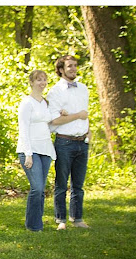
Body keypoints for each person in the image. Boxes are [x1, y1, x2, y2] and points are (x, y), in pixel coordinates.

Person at [46, 55, 91, 230]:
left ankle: (77, 218)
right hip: (64, 142)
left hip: (82, 141)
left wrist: (88, 130)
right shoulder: (55, 92)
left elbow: (85, 114)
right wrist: (77, 116)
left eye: (75, 65)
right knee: (61, 183)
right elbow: (54, 121)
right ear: (61, 70)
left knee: (78, 185)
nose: (73, 68)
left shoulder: (83, 89)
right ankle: (61, 220)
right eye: (69, 66)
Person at [16, 70, 57, 231]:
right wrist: (28, 153)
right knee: (37, 187)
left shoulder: (46, 103)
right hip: (30, 151)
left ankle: (37, 222)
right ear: (31, 82)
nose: (42, 83)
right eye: (39, 80)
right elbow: (23, 129)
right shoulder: (27, 103)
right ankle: (32, 225)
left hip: (45, 149)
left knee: (41, 190)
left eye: (45, 80)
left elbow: (50, 125)